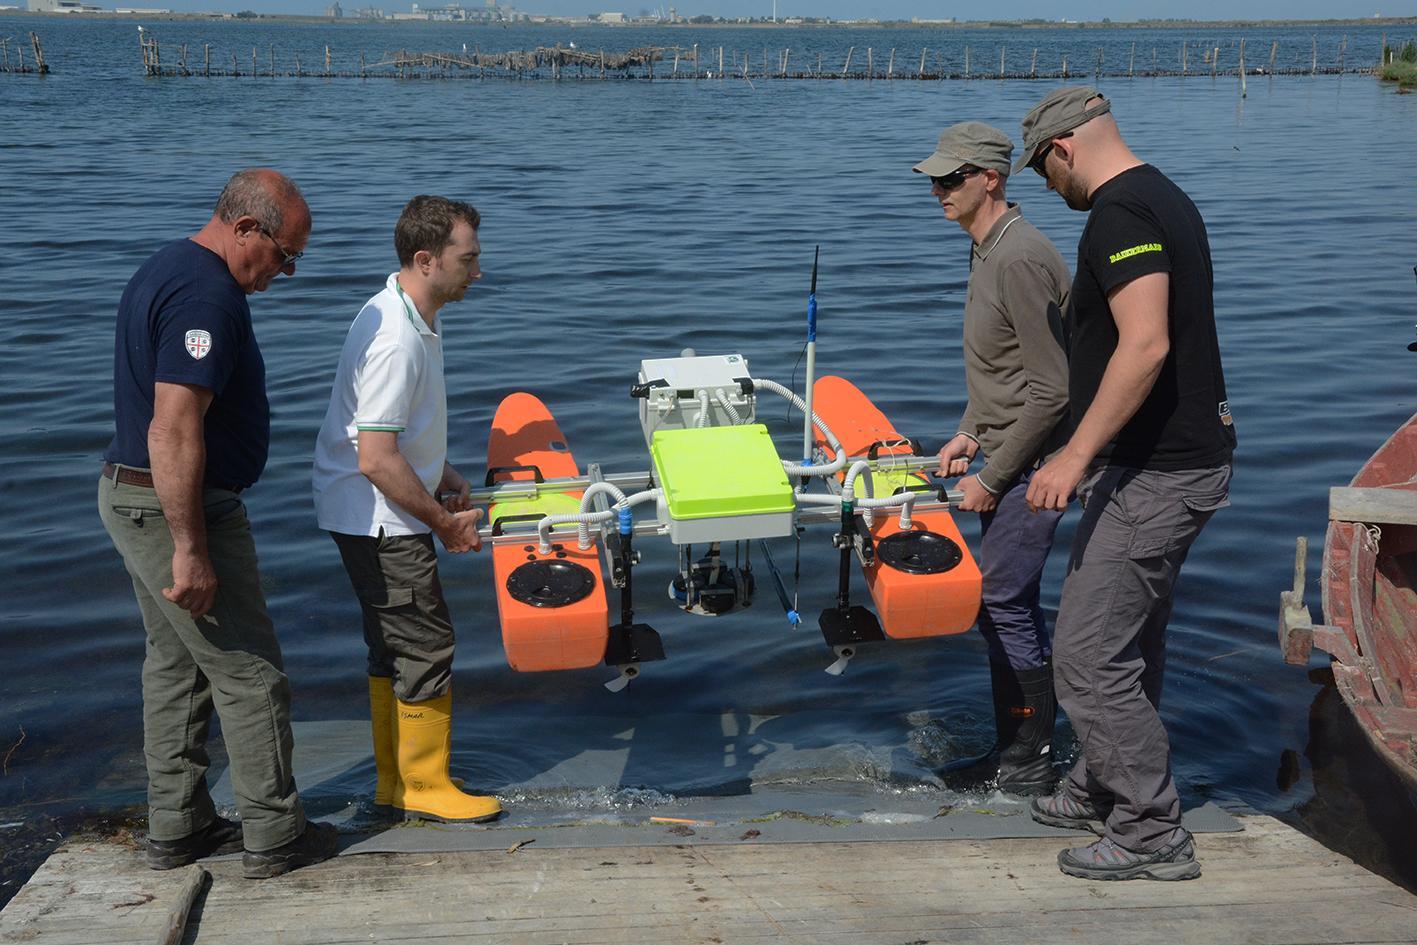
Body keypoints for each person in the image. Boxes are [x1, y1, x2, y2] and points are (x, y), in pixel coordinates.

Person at [1016, 87, 1236, 881]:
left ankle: (1148, 827)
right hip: (1167, 462)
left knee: (1083, 655)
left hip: (1159, 471)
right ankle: (1100, 781)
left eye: (1041, 169)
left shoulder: (1120, 214)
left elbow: (1143, 346)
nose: (1045, 186)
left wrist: (1072, 455)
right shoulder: (1164, 196)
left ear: (1064, 148)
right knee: (1127, 639)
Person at [98, 168, 339, 880]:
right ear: (244, 229)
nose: (287, 271)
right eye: (284, 253)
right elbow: (171, 430)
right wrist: (190, 547)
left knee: (176, 666)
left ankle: (178, 823)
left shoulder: (168, 266)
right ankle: (274, 833)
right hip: (177, 504)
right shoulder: (208, 295)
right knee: (249, 672)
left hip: (132, 495)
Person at [312, 195, 500, 824]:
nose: (478, 271)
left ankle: (395, 783)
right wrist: (443, 523)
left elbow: (389, 432)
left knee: (390, 647)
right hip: (380, 517)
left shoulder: (412, 310)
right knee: (426, 643)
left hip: (368, 510)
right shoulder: (397, 337)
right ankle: (425, 785)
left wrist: (438, 469)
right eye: (467, 260)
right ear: (426, 260)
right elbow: (374, 457)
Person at [913, 123, 1071, 795]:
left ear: (990, 179)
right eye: (934, 179)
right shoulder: (985, 249)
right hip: (1004, 451)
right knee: (1006, 601)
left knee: (1002, 599)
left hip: (1034, 464)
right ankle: (1017, 750)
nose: (938, 191)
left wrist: (991, 476)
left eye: (951, 178)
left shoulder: (1018, 257)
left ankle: (1028, 763)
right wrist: (969, 431)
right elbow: (1003, 369)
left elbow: (1054, 388)